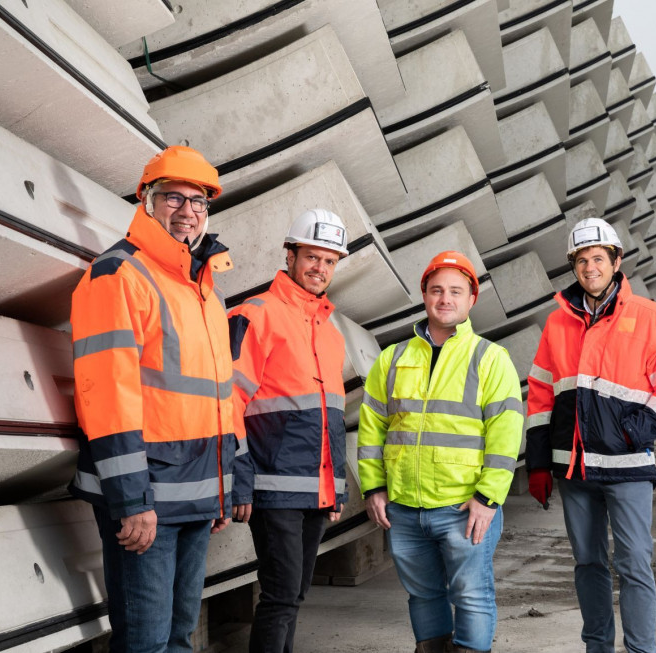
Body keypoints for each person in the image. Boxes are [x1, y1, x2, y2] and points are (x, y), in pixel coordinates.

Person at [69, 146, 236, 652]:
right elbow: (107, 396)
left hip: (194, 491)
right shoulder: (119, 275)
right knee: (145, 643)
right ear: (146, 200)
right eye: (174, 198)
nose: (188, 212)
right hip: (147, 498)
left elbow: (218, 395)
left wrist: (223, 483)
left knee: (179, 637)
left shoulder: (202, 287)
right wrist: (132, 501)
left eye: (199, 202)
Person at [525, 217, 656, 653]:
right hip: (574, 472)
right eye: (581, 260)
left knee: (635, 563)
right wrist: (540, 463)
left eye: (598, 258)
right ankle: (597, 647)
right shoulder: (557, 323)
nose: (589, 267)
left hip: (628, 467)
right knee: (588, 564)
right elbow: (541, 397)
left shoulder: (653, 318)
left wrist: (632, 433)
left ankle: (641, 650)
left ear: (617, 261)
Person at [358, 251, 523, 653]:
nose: (445, 298)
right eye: (437, 290)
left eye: (455, 291)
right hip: (405, 507)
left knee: (471, 594)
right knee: (423, 595)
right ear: (424, 296)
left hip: (464, 508)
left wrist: (488, 498)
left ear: (471, 300)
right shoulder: (393, 358)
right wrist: (373, 487)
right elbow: (372, 427)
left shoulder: (490, 358)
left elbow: (506, 435)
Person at [229, 208, 350, 653]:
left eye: (330, 261)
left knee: (295, 595)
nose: (320, 268)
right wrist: (239, 481)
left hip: (315, 490)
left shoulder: (330, 332)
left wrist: (335, 488)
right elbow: (229, 405)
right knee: (281, 595)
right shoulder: (256, 314)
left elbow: (330, 417)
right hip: (273, 486)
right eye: (312, 257)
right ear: (291, 254)